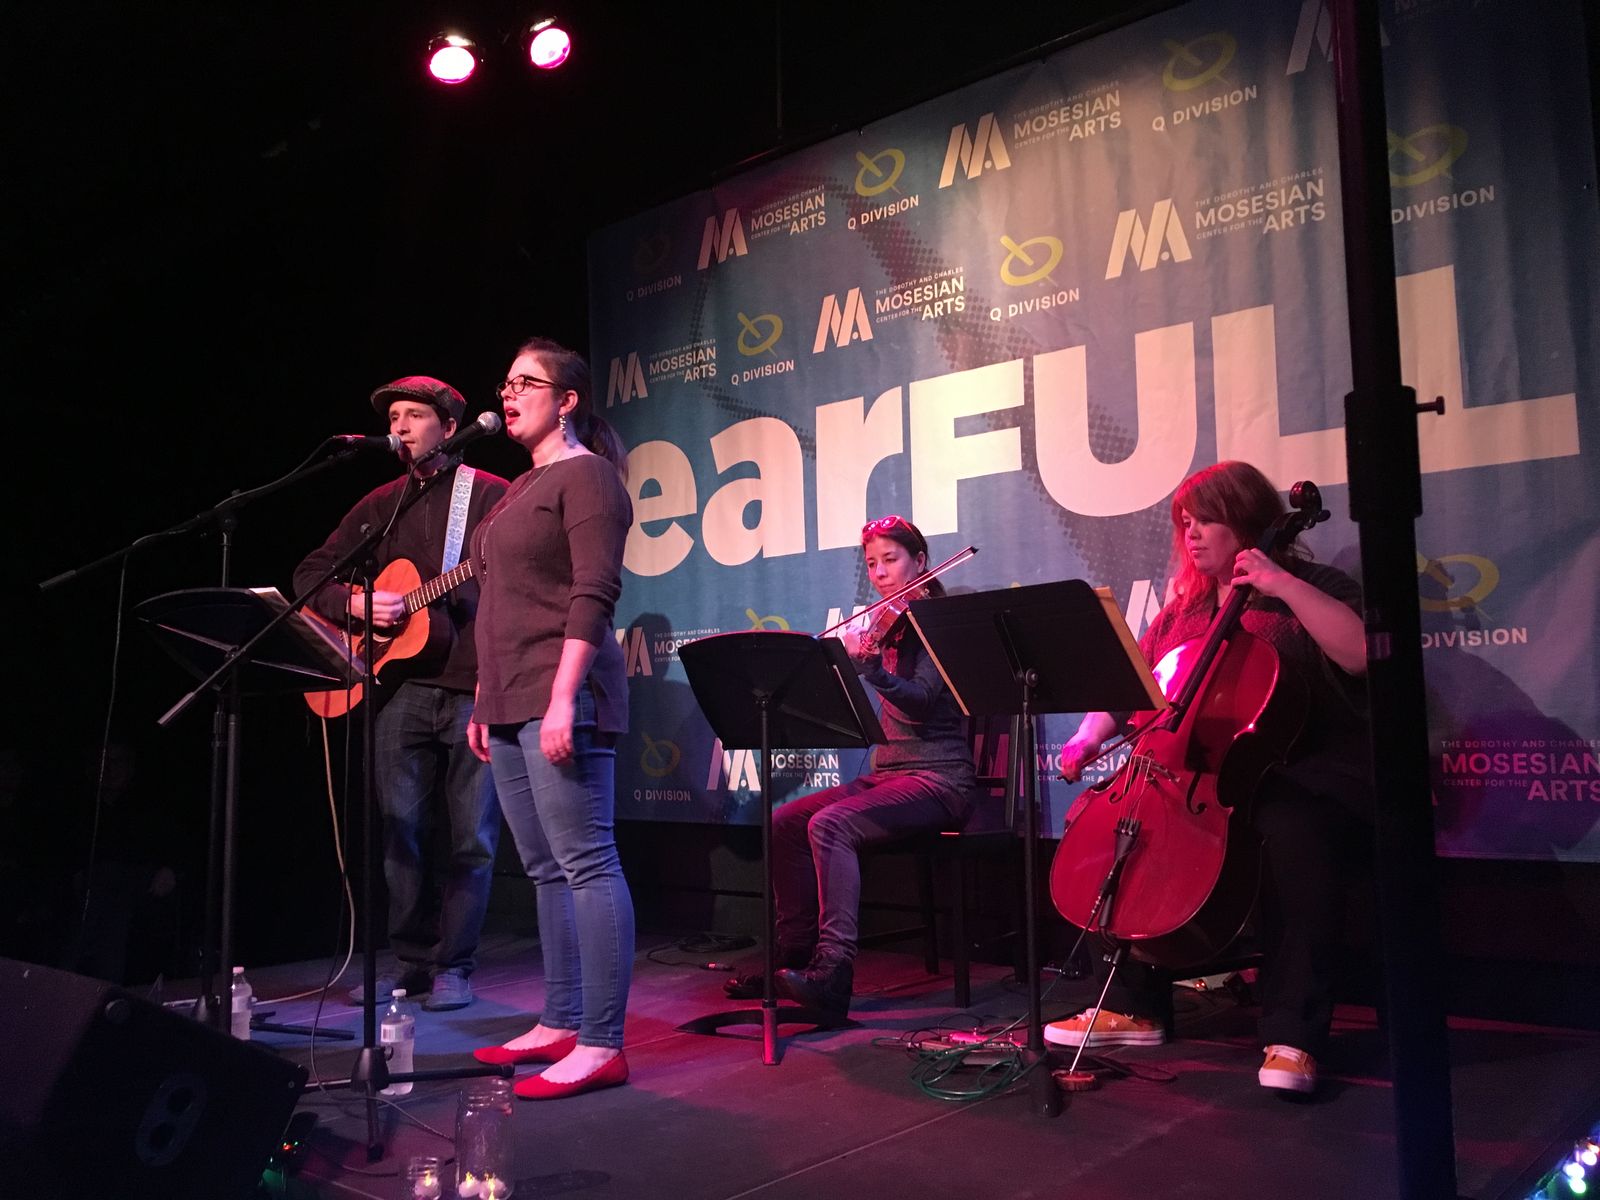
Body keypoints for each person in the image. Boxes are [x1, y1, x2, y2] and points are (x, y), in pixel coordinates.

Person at [1045, 460, 1370, 1095]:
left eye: (1206, 520)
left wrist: (1280, 582)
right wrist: (1089, 735)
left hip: (1301, 772)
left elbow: (1360, 654)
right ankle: (1134, 1005)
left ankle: (1293, 1034)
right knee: (1119, 824)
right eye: (1185, 523)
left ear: (1246, 520)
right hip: (1202, 779)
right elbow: (1134, 686)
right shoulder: (1185, 611)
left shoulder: (1312, 586)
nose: (1190, 535)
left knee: (1293, 832)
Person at [295, 376, 508, 1011]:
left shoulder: (493, 495)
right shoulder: (380, 504)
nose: (401, 427)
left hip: (472, 686)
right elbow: (309, 573)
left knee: (472, 838)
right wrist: (355, 604)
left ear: (450, 427)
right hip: (398, 687)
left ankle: (455, 966)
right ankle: (411, 961)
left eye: (414, 414)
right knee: (401, 832)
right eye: (394, 417)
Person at [465, 337, 636, 1101]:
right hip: (507, 698)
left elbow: (594, 591)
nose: (508, 394)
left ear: (566, 401)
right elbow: (502, 603)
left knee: (586, 861)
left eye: (525, 383)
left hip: (561, 690)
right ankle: (561, 1019)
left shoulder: (588, 475)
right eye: (505, 383)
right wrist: (484, 696)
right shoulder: (515, 490)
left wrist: (565, 696)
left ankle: (601, 1042)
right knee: (542, 867)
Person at [724, 515, 976, 1017]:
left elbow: (921, 705)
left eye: (891, 560)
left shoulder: (937, 623)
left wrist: (872, 671)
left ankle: (833, 972)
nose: (880, 573)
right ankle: (793, 957)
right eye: (872, 563)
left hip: (939, 779)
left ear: (920, 561)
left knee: (831, 824)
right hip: (889, 776)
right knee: (785, 822)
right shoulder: (889, 624)